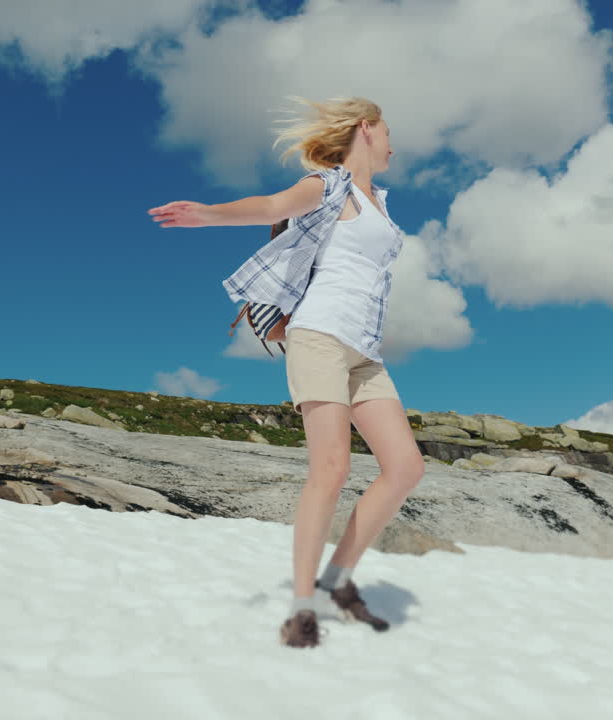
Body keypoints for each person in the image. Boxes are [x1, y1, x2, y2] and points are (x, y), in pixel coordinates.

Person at [148, 96, 424, 648]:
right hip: (320, 337)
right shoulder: (330, 186)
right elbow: (272, 204)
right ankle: (302, 608)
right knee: (331, 468)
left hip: (364, 351)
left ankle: (337, 578)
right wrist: (207, 214)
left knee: (406, 468)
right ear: (365, 129)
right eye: (388, 131)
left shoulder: (380, 203)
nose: (394, 142)